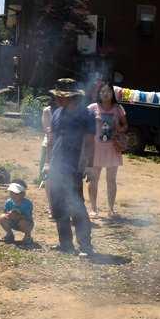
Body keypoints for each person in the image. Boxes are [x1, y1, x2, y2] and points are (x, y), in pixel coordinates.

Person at [47, 78, 95, 256]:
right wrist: (47, 163)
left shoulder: (86, 115)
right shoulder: (57, 112)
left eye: (62, 96)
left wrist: (89, 166)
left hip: (74, 167)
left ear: (73, 97)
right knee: (58, 206)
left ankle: (85, 246)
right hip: (56, 166)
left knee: (76, 206)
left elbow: (89, 143)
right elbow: (52, 141)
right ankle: (65, 244)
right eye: (57, 96)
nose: (58, 99)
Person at [87, 82, 128, 218]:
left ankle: (111, 209)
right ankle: (93, 209)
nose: (105, 94)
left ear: (113, 94)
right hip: (95, 149)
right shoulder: (92, 108)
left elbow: (125, 126)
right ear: (98, 93)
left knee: (111, 180)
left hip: (112, 148)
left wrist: (118, 127)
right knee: (94, 179)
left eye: (108, 91)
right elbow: (84, 125)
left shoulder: (118, 109)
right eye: (103, 91)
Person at [0, 179, 34, 246]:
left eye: (16, 194)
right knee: (2, 218)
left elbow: (28, 217)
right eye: (11, 192)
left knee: (23, 223)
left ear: (23, 194)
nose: (13, 195)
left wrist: (18, 216)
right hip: (13, 222)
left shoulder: (27, 203)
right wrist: (8, 214)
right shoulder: (9, 202)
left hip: (25, 223)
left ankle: (28, 236)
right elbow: (5, 212)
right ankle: (9, 234)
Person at [40, 99, 55, 216]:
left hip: (63, 146)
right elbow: (47, 131)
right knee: (48, 179)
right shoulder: (47, 111)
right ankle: (51, 206)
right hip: (48, 146)